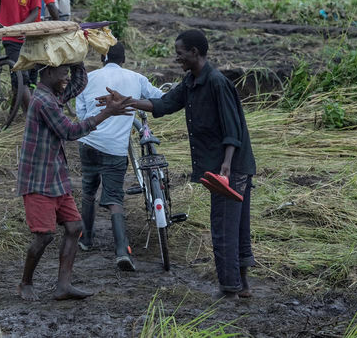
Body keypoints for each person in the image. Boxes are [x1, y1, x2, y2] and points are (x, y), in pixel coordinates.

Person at [100, 29, 256, 299]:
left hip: (231, 167)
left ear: (195, 52)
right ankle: (242, 286)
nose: (177, 58)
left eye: (180, 53)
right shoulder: (191, 81)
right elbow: (165, 103)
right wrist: (127, 102)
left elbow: (233, 128)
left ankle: (230, 287)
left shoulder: (217, 83)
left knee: (224, 227)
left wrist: (227, 166)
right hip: (224, 166)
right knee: (235, 226)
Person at [17, 62, 135, 301]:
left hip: (55, 176)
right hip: (38, 178)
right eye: (63, 74)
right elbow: (70, 131)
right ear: (49, 73)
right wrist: (107, 113)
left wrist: (75, 55)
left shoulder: (53, 92)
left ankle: (63, 286)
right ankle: (25, 283)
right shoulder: (44, 101)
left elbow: (79, 83)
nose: (66, 79)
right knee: (45, 236)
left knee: (74, 227)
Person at [74, 43, 163, 271]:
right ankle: (122, 251)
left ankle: (86, 239)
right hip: (114, 149)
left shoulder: (89, 79)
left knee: (88, 191)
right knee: (114, 198)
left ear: (103, 58)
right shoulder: (136, 78)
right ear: (124, 60)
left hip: (89, 144)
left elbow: (82, 115)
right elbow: (160, 98)